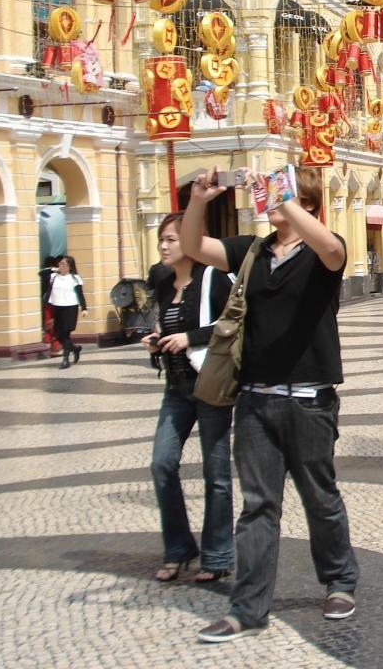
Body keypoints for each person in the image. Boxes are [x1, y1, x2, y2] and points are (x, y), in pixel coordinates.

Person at [183, 166, 358, 643]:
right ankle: (246, 609)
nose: (273, 202)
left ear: (309, 204)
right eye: (274, 194)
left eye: (288, 195)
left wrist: (286, 202)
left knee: (320, 498)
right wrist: (198, 200)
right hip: (255, 400)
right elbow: (194, 246)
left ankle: (340, 581)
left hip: (309, 400)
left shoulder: (324, 251)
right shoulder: (253, 251)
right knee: (258, 506)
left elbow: (331, 249)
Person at [145, 212, 234, 583]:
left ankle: (217, 556)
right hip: (176, 388)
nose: (164, 246)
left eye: (171, 239)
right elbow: (167, 325)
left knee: (217, 473)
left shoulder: (214, 278)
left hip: (210, 385)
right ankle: (179, 548)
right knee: (161, 463)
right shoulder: (163, 282)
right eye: (162, 239)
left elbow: (235, 322)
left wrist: (190, 338)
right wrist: (157, 341)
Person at [47, 255, 87, 369]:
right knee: (57, 334)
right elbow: (41, 274)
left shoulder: (74, 278)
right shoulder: (54, 276)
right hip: (57, 307)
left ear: (69, 267)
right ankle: (75, 349)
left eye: (63, 264)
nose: (60, 265)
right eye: (59, 264)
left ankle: (65, 360)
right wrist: (53, 269)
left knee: (65, 334)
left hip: (70, 308)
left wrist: (84, 308)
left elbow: (80, 294)